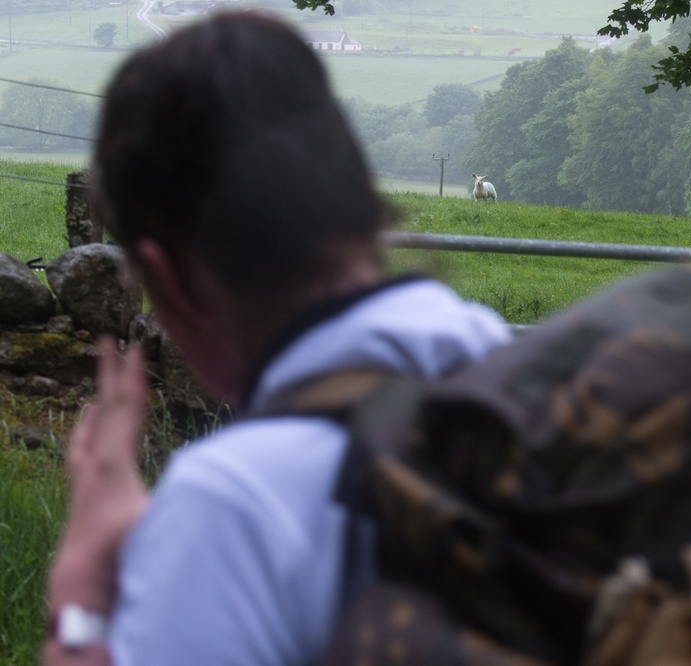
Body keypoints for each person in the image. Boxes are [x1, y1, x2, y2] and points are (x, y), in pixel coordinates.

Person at [42, 11, 511, 666]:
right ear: (355, 198)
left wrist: (85, 585)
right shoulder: (529, 375)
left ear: (171, 277)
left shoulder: (233, 506)